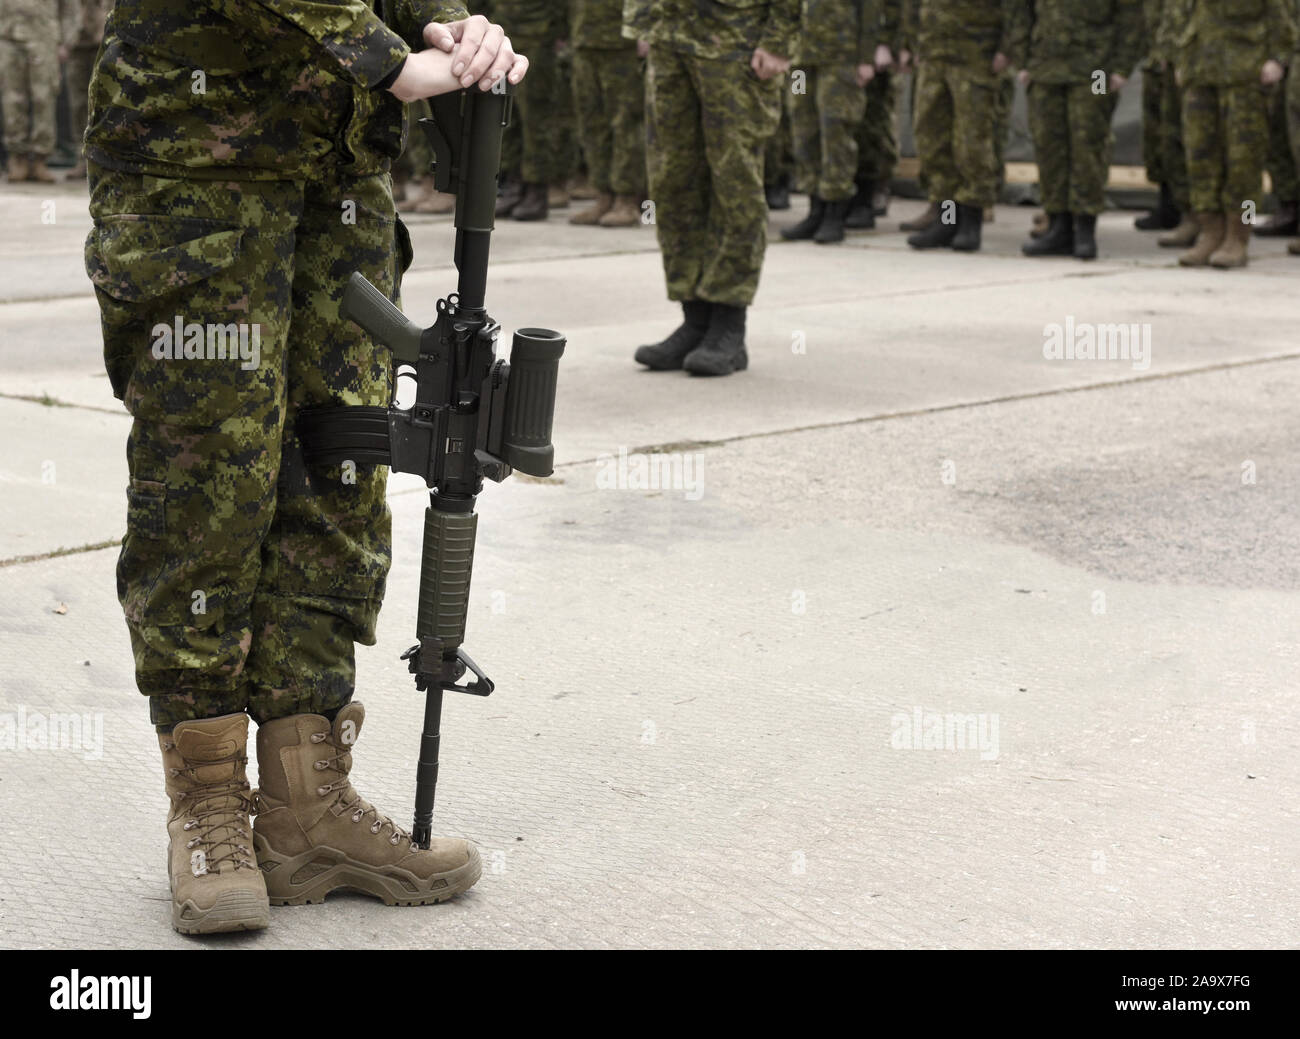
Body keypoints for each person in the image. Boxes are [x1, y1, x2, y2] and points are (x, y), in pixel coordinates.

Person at [83, 0, 526, 935]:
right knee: (209, 478)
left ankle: (304, 807)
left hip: (342, 173)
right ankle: (207, 805)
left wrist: (449, 23)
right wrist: (386, 58)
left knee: (340, 467)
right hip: (193, 164)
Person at [628, 0, 797, 377]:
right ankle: (695, 319)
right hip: (669, 35)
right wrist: (643, 18)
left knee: (733, 182)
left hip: (736, 39)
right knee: (673, 181)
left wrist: (780, 39)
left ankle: (728, 324)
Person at [1173, 0, 1295, 268]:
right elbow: (1181, 16)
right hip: (1200, 73)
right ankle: (1210, 232)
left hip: (1245, 74)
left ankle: (1239, 236)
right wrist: (1181, 59)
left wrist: (1277, 59)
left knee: (1245, 164)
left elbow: (1284, 19)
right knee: (1200, 157)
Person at [1018, 0, 1144, 261]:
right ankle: (1058, 225)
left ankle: (1085, 228)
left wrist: (1122, 66)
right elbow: (1019, 10)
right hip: (1045, 65)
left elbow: (1131, 14)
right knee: (1048, 146)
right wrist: (1022, 58)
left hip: (1096, 69)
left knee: (1089, 142)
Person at [904, 0, 1029, 253]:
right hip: (933, 52)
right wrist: (912, 40)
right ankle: (946, 220)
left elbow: (1016, 7)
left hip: (976, 54)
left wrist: (1007, 49)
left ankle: (971, 221)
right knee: (933, 138)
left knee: (972, 141)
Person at [781, 0, 883, 245]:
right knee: (802, 127)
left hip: (841, 58)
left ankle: (834, 212)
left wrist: (866, 57)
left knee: (836, 129)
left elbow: (870, 8)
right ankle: (814, 208)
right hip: (800, 63)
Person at [569, 0, 646, 228]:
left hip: (622, 41)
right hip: (584, 37)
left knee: (626, 122)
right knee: (592, 122)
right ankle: (604, 194)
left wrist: (644, 30)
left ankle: (627, 199)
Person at [0, 0, 74, 183]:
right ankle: (17, 158)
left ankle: (40, 159)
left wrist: (67, 42)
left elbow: (70, 9)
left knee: (44, 98)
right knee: (12, 99)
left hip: (45, 38)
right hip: (7, 36)